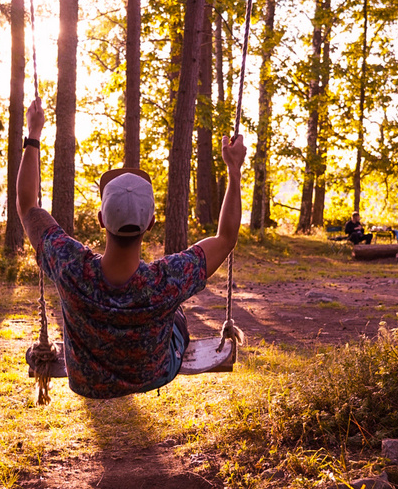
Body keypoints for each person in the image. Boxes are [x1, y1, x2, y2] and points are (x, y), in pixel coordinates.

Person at [16, 96, 247, 399]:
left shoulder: (69, 264)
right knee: (177, 316)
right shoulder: (168, 280)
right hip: (154, 373)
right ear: (151, 223)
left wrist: (33, 135)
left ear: (101, 219)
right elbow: (225, 238)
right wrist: (233, 170)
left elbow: (26, 205)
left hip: (87, 379)